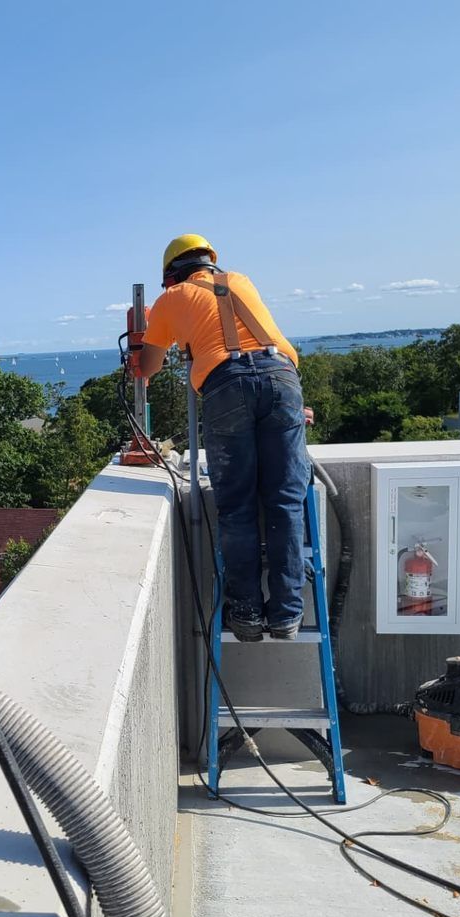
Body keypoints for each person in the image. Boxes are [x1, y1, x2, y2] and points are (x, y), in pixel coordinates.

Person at [135, 234, 309, 642]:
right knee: (286, 500)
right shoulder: (240, 281)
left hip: (226, 385)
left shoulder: (171, 298)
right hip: (282, 378)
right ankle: (286, 615)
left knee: (237, 506)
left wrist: (144, 340)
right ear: (210, 263)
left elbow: (148, 366)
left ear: (171, 275)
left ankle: (246, 614)